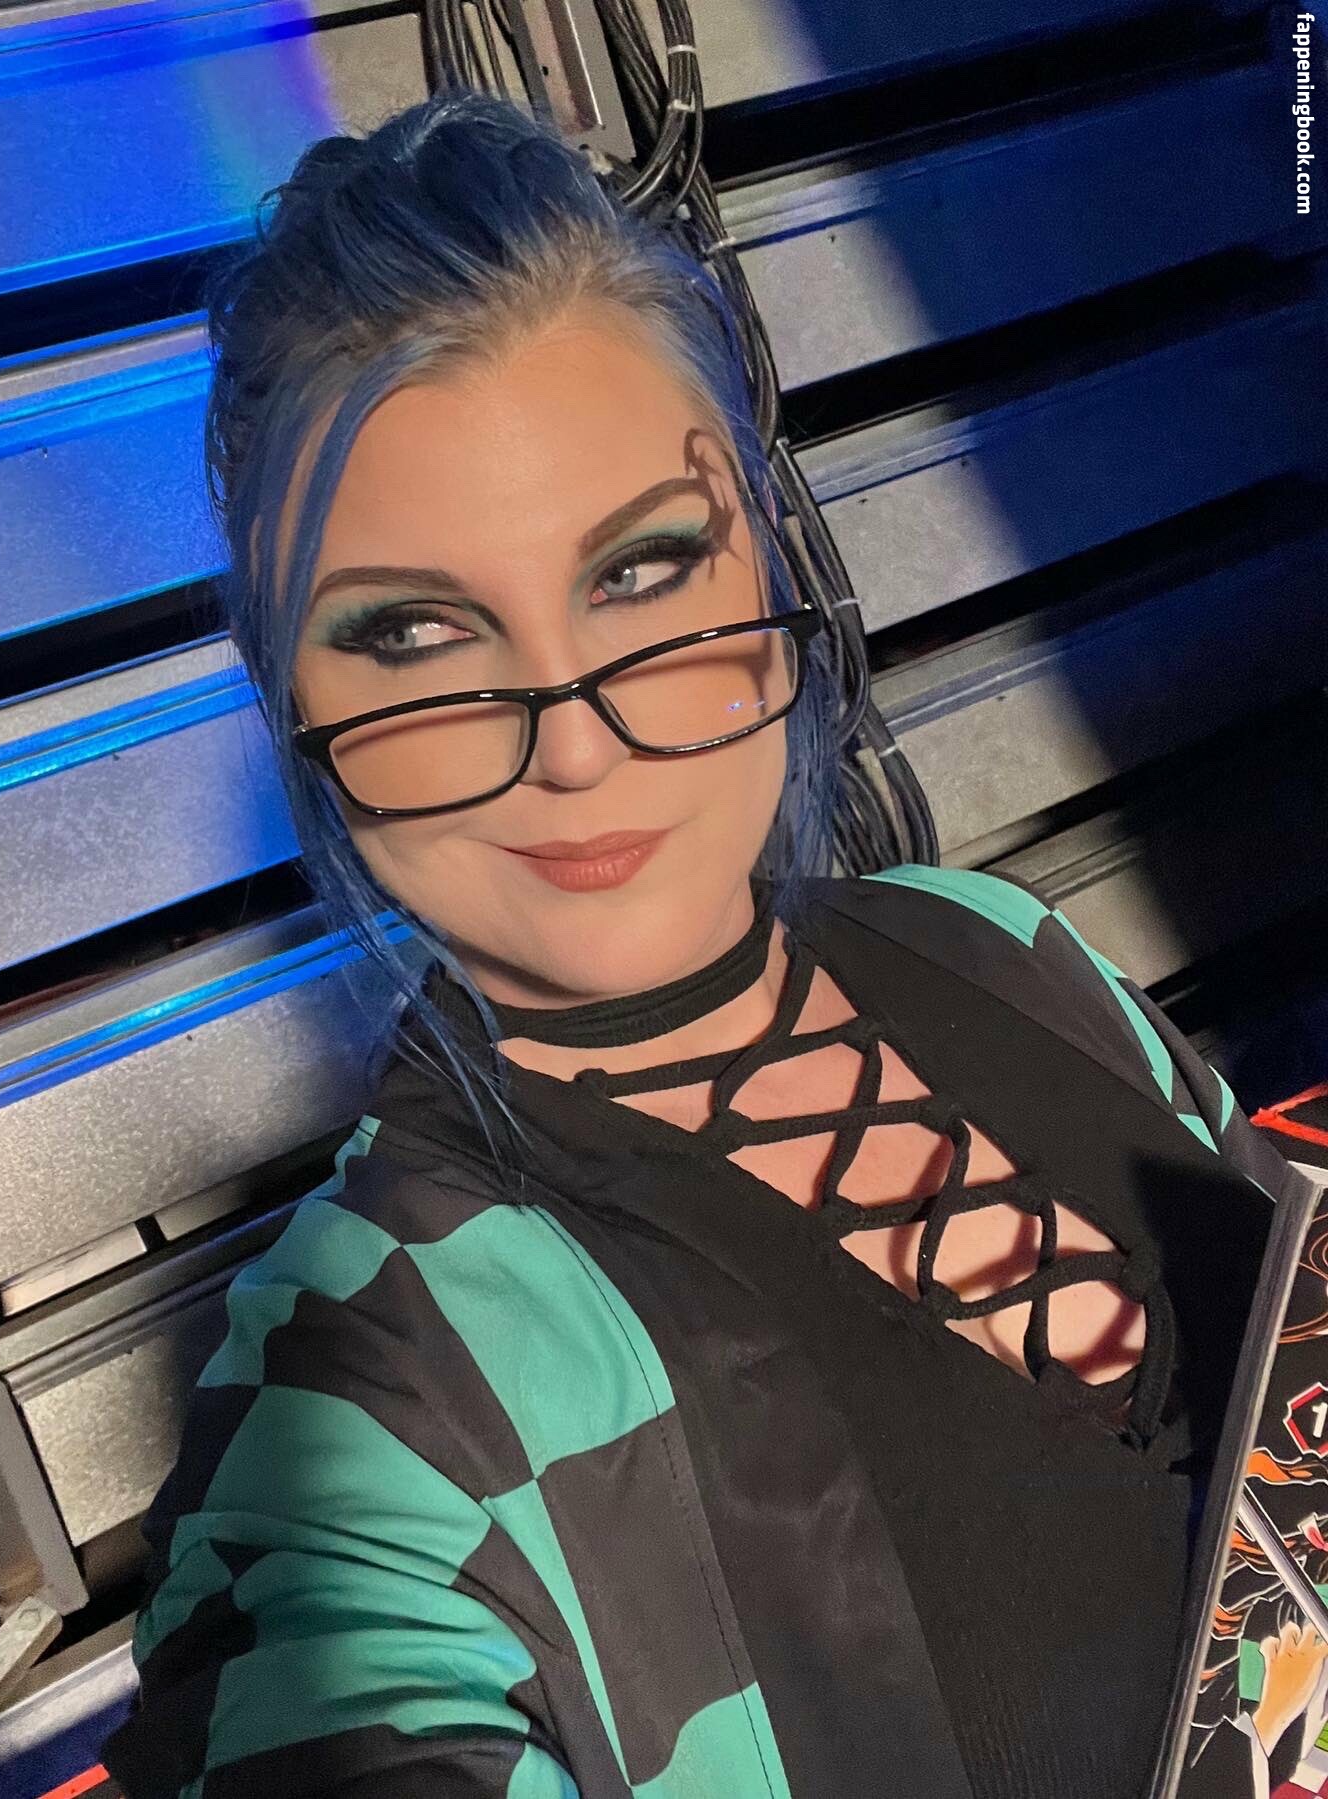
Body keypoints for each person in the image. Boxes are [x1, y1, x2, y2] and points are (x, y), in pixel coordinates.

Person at [98, 87, 1316, 1799]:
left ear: (760, 549)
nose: (574, 741)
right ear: (288, 692)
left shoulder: (992, 941)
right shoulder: (359, 1399)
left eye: (642, 570)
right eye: (417, 634)